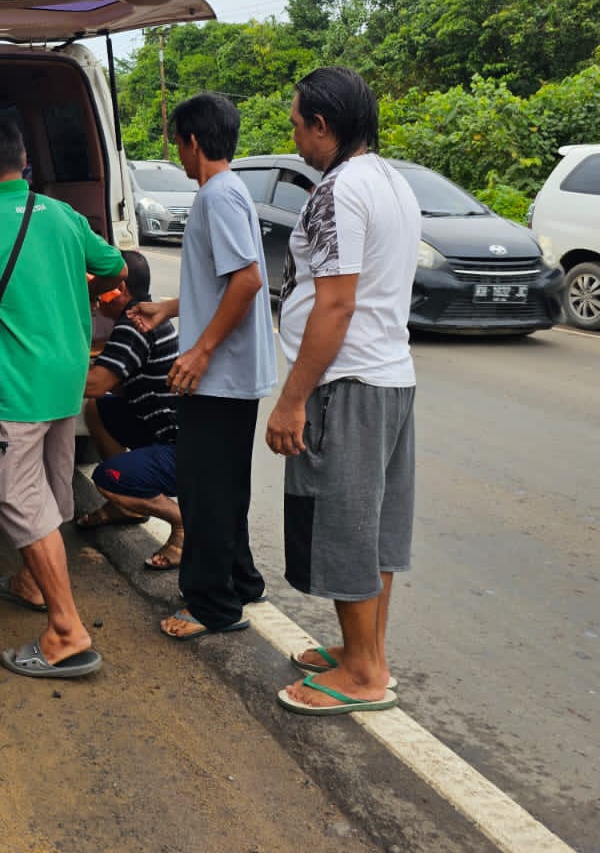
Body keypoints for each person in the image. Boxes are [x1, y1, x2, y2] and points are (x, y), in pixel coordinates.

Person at [265, 67, 418, 715]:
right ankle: (366, 652)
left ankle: (362, 674)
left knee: (343, 528)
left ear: (323, 126)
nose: (295, 137)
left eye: (299, 125)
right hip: (388, 377)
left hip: (346, 383)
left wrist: (292, 399)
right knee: (373, 528)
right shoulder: (391, 180)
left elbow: (335, 305)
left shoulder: (337, 191)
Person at [0, 118, 125, 680]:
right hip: (69, 374)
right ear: (24, 162)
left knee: (10, 492)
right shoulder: (64, 215)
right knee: (55, 480)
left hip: (19, 380)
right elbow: (115, 267)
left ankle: (65, 627)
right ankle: (31, 582)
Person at [129, 92, 278, 641]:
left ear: (192, 142)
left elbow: (246, 281)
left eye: (178, 143)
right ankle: (240, 579)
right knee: (224, 486)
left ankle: (213, 605)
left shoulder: (217, 197)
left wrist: (199, 351)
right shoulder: (229, 192)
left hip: (219, 376)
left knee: (204, 490)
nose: (179, 153)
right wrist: (170, 307)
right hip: (232, 375)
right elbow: (222, 281)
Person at [76, 249, 183, 571]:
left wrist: (42, 368)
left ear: (119, 288)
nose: (92, 292)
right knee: (97, 409)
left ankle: (184, 524)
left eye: (96, 284)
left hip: (181, 449)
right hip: (165, 429)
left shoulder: (134, 326)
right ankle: (128, 507)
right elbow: (115, 386)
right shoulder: (139, 319)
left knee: (106, 478)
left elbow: (95, 383)